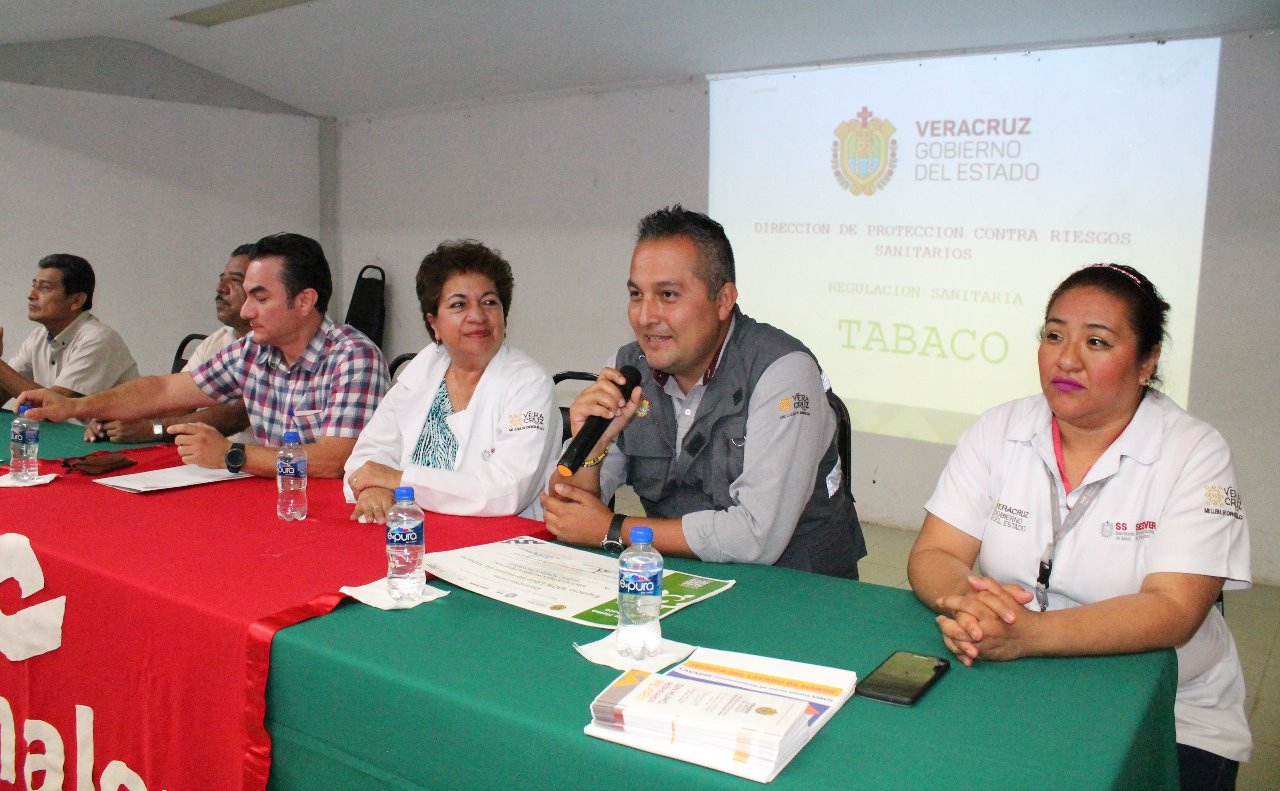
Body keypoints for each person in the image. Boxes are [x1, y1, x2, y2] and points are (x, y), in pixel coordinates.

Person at [906, 263, 1251, 789]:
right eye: (1053, 335)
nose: (1066, 359)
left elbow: (1174, 609)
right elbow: (936, 554)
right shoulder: (1000, 428)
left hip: (1169, 708)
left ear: (1147, 362)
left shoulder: (1194, 452)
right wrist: (969, 607)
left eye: (1096, 341)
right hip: (1014, 676)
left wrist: (1028, 634)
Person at [541, 205, 865, 578]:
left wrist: (614, 529)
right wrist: (592, 446)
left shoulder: (782, 370)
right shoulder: (628, 369)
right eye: (636, 294)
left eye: (667, 295)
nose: (645, 317)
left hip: (796, 588)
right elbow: (566, 512)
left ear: (723, 300)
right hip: (679, 579)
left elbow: (756, 536)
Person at [18, 233, 388, 479]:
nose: (246, 311)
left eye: (260, 298)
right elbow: (164, 390)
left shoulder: (352, 358)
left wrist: (232, 454)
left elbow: (333, 461)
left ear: (305, 301)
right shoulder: (253, 350)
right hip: (274, 499)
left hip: (331, 515)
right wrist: (74, 407)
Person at [345, 240, 560, 521]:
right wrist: (374, 489)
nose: (477, 316)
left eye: (489, 302)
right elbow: (369, 455)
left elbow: (506, 491)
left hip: (499, 540)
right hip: (414, 532)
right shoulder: (423, 370)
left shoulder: (529, 383)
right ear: (433, 323)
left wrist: (399, 481)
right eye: (459, 305)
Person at [84, 245, 255, 444]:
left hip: (250, 456)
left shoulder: (269, 347)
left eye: (236, 280)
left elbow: (235, 416)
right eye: (222, 278)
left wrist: (153, 429)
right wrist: (115, 416)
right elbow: (177, 399)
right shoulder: (218, 340)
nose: (221, 288)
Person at [0, 254, 139, 408]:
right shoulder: (38, 337)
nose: (31, 295)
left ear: (76, 300)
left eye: (45, 287)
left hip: (118, 424)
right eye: (34, 286)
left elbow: (54, 407)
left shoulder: (99, 339)